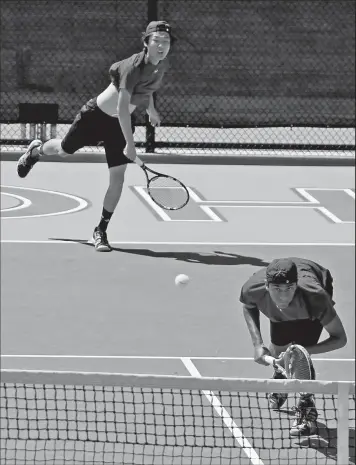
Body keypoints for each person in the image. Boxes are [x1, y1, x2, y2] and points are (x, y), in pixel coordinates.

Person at [17, 21, 173, 251]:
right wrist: (131, 144)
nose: (161, 45)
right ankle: (36, 151)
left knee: (117, 179)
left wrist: (150, 110)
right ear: (146, 43)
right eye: (156, 41)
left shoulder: (161, 64)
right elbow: (121, 108)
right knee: (64, 150)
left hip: (119, 125)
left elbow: (146, 89)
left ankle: (101, 229)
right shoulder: (133, 67)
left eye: (166, 41)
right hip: (96, 116)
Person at [239, 257, 347, 436]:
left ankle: (307, 409)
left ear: (296, 285)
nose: (283, 296)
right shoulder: (252, 289)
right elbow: (248, 306)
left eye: (289, 288)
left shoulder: (315, 298)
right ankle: (282, 375)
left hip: (308, 309)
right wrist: (258, 344)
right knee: (278, 351)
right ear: (266, 286)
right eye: (276, 289)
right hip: (281, 314)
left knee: (298, 358)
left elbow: (339, 338)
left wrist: (301, 351)